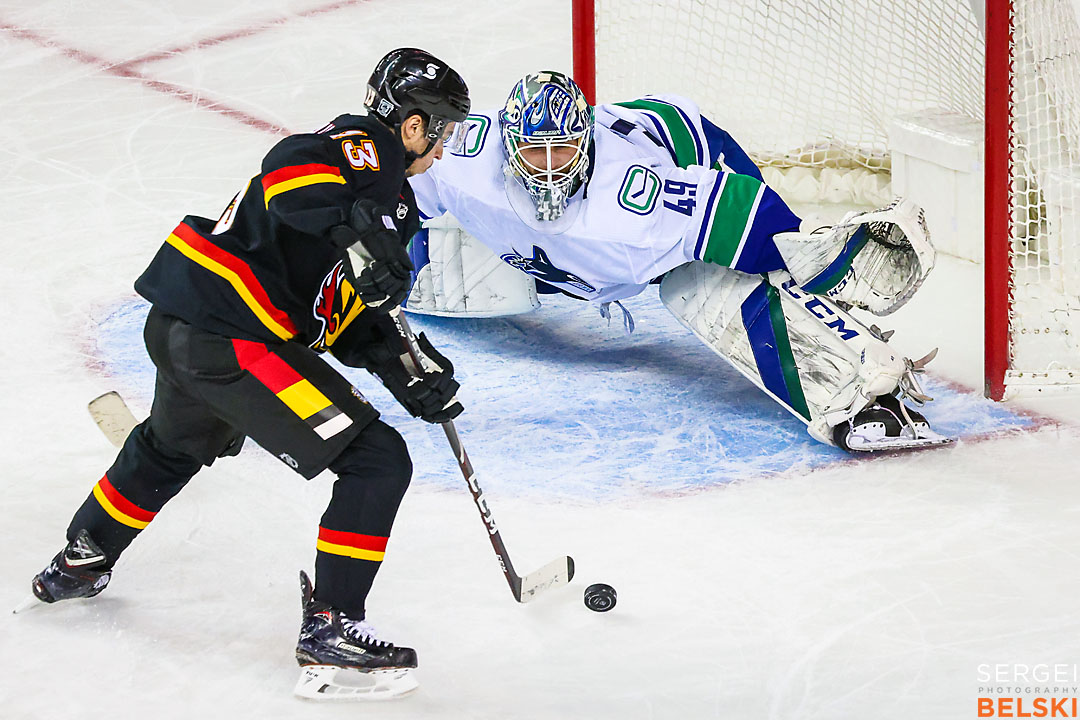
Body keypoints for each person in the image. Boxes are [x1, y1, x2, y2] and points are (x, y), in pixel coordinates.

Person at [25, 48, 470, 701]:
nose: (443, 146)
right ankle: (332, 633)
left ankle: (80, 558)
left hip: (188, 325)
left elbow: (335, 312)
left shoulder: (386, 201)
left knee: (169, 448)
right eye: (443, 129)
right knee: (377, 461)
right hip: (231, 337)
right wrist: (355, 230)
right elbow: (290, 168)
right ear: (411, 124)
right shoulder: (361, 149)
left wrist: (402, 368)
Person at [407, 70, 950, 453]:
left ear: (588, 146)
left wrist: (815, 261)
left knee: (694, 284)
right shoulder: (463, 161)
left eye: (563, 151)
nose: (549, 169)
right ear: (508, 145)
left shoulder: (631, 200)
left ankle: (860, 396)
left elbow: (745, 213)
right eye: (534, 151)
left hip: (689, 144)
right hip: (592, 218)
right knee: (544, 255)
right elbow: (392, 180)